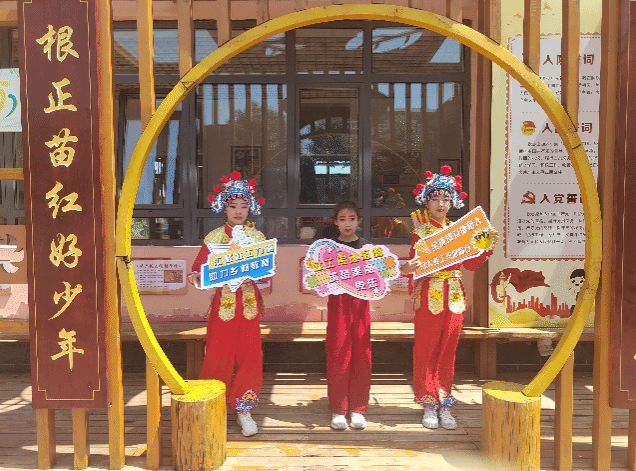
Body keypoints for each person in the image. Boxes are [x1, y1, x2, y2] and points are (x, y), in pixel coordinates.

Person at [401, 165, 498, 430]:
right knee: (426, 349)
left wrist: (485, 246)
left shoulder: (460, 232)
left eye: (446, 199)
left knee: (448, 350)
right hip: (429, 295)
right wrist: (408, 268)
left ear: (453, 201)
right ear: (426, 202)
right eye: (435, 199)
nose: (441, 204)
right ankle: (428, 402)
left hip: (454, 295)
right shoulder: (421, 234)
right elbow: (412, 267)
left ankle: (444, 401)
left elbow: (470, 265)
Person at [189, 171, 267, 437]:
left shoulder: (257, 238)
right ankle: (215, 406)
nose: (239, 211)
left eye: (244, 206)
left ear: (250, 208)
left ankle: (244, 408)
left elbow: (267, 273)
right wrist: (199, 277)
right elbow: (198, 271)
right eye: (233, 206)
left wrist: (260, 273)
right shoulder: (213, 238)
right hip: (223, 306)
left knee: (250, 357)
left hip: (249, 306)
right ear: (224, 208)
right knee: (217, 355)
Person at [326, 201, 372, 431]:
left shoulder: (366, 247)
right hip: (338, 305)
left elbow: (377, 277)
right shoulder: (328, 248)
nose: (347, 224)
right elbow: (318, 276)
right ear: (335, 222)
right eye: (342, 219)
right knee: (338, 353)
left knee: (362, 354)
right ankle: (338, 409)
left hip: (361, 304)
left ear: (359, 221)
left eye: (352, 219)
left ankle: (358, 409)